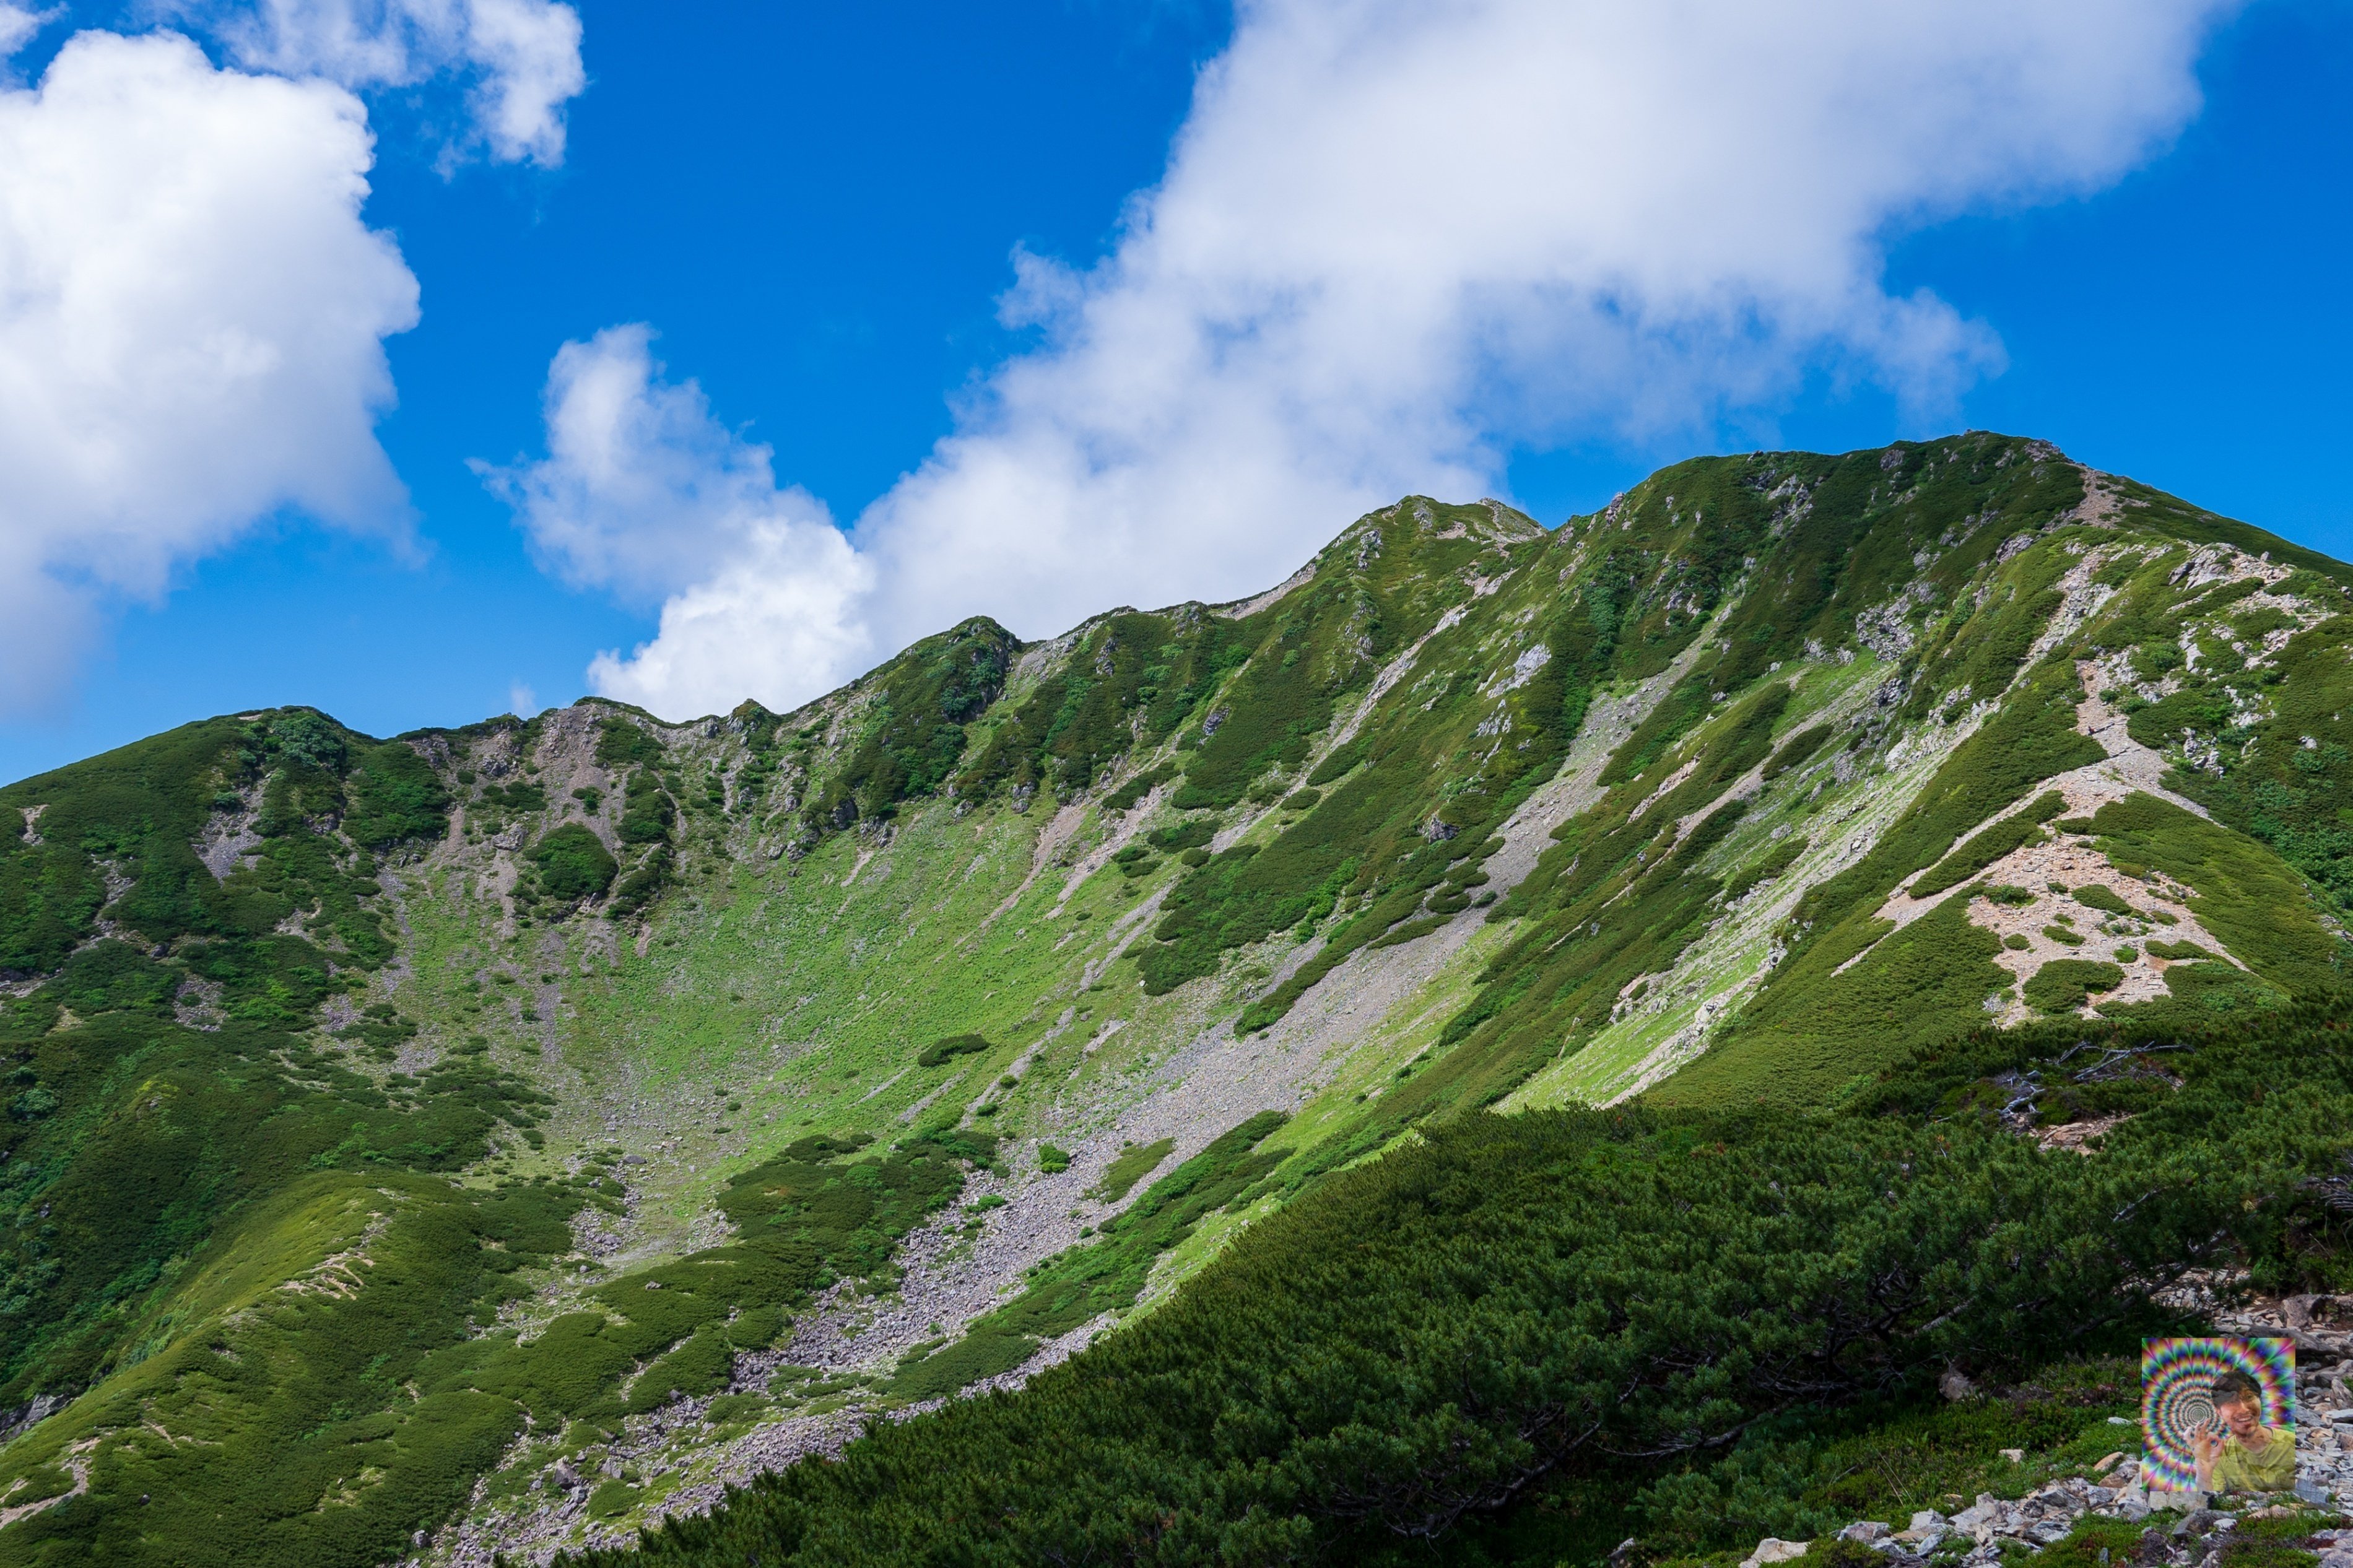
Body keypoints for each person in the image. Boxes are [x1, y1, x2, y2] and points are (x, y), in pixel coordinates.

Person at [2193, 1370, 2297, 1496]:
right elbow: (2209, 1499)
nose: (2243, 1409)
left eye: (2249, 1397)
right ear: (2219, 1412)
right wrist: (2203, 1466)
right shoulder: (2220, 1455)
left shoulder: (2292, 1443)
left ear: (2260, 1400)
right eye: (2231, 1402)